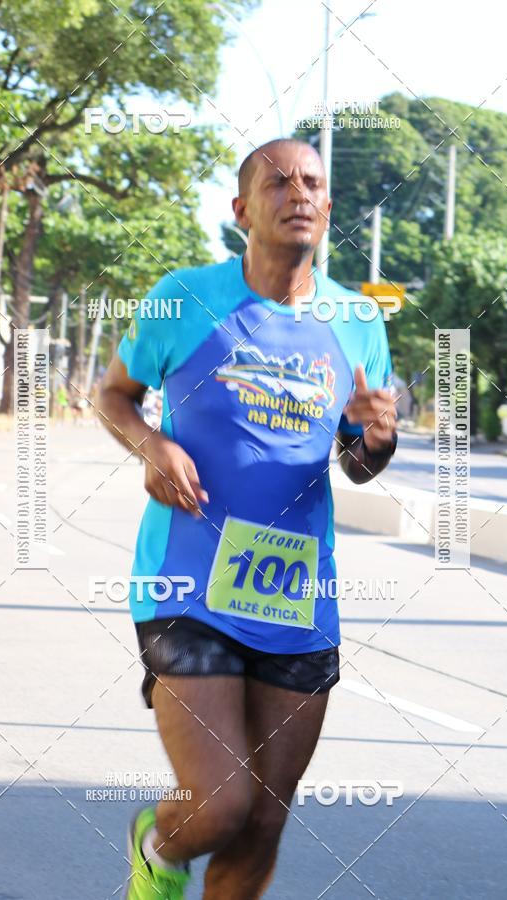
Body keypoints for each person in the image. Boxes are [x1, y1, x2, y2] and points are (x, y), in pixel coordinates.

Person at [97, 138, 398, 900]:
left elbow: (358, 463)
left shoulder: (357, 320)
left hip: (295, 592)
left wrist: (376, 439)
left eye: (314, 184)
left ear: (327, 208)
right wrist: (153, 443)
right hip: (187, 582)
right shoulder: (185, 296)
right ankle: (158, 847)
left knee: (264, 821)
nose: (299, 192)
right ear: (241, 211)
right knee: (223, 801)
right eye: (279, 181)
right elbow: (114, 395)